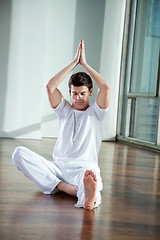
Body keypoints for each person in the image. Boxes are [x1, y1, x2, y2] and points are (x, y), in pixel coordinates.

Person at [12, 40, 110, 210]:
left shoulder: (96, 112)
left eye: (83, 93)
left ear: (91, 92)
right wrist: (74, 63)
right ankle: (65, 187)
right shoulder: (64, 109)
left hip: (83, 169)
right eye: (74, 93)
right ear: (70, 93)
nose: (78, 97)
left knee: (90, 181)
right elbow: (50, 87)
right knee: (18, 153)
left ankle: (86, 198)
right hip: (57, 168)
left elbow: (106, 88)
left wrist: (84, 64)